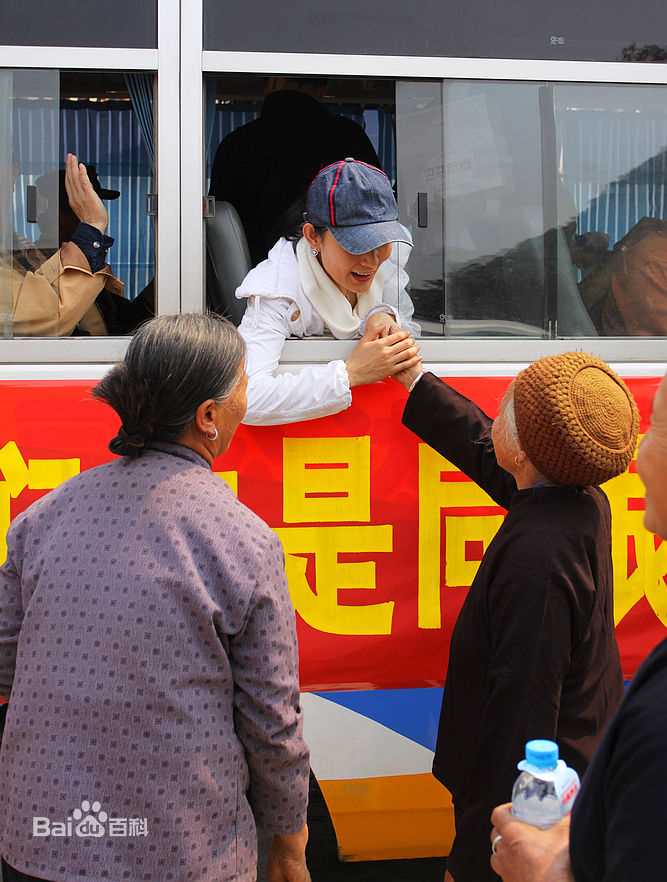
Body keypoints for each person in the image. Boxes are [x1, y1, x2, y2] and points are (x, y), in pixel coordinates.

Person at [0, 314, 311, 882]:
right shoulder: (243, 539)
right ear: (209, 418)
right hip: (179, 853)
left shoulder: (42, 517)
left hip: (38, 843)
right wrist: (290, 841)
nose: (250, 394)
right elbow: (272, 721)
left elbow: (3, 666)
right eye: (244, 381)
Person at [394, 352, 639, 882]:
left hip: (530, 806)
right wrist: (415, 381)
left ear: (527, 452)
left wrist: (477, 856)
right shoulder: (578, 500)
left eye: (505, 407)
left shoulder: (538, 563)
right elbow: (492, 452)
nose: (495, 411)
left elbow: (517, 723)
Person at [489, 370, 667, 882]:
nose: (633, 459)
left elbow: (525, 701)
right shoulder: (582, 504)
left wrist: (545, 868)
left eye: (652, 430)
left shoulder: (539, 556)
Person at [237, 157, 421, 426]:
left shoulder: (389, 258)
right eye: (356, 245)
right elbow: (248, 397)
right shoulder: (277, 290)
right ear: (313, 236)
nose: (371, 261)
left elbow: (409, 328)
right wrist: (350, 374)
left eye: (380, 242)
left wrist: (382, 316)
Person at [209, 88, 381, 266]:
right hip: (344, 264)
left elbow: (217, 222)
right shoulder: (347, 136)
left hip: (251, 267)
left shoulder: (237, 144)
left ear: (274, 82)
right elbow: (377, 207)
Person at [1, 153, 124, 336]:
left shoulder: (83, 261)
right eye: (90, 204)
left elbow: (117, 321)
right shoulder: (29, 262)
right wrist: (91, 228)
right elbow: (44, 322)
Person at [34, 163, 155, 335]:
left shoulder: (85, 264)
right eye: (90, 207)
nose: (101, 216)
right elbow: (49, 329)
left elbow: (121, 321)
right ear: (62, 215)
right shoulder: (38, 270)